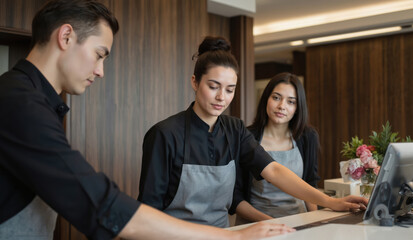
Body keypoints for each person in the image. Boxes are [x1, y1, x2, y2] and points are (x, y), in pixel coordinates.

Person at [0, 0, 293, 239]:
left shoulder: (30, 99)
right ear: (65, 37)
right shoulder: (19, 102)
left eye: (229, 89)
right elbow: (96, 202)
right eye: (99, 55)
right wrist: (232, 236)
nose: (101, 71)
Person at [138, 36, 368, 228]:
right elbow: (148, 212)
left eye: (230, 90)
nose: (222, 97)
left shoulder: (235, 129)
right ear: (195, 82)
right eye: (213, 86)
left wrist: (331, 202)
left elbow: (275, 171)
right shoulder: (164, 135)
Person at [233, 72, 322, 223]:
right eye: (276, 98)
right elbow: (235, 198)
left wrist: (316, 223)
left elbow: (310, 186)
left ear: (298, 107)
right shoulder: (246, 137)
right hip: (256, 224)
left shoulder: (308, 137)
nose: (282, 106)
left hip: (299, 222)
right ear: (266, 99)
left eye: (291, 102)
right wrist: (273, 223)